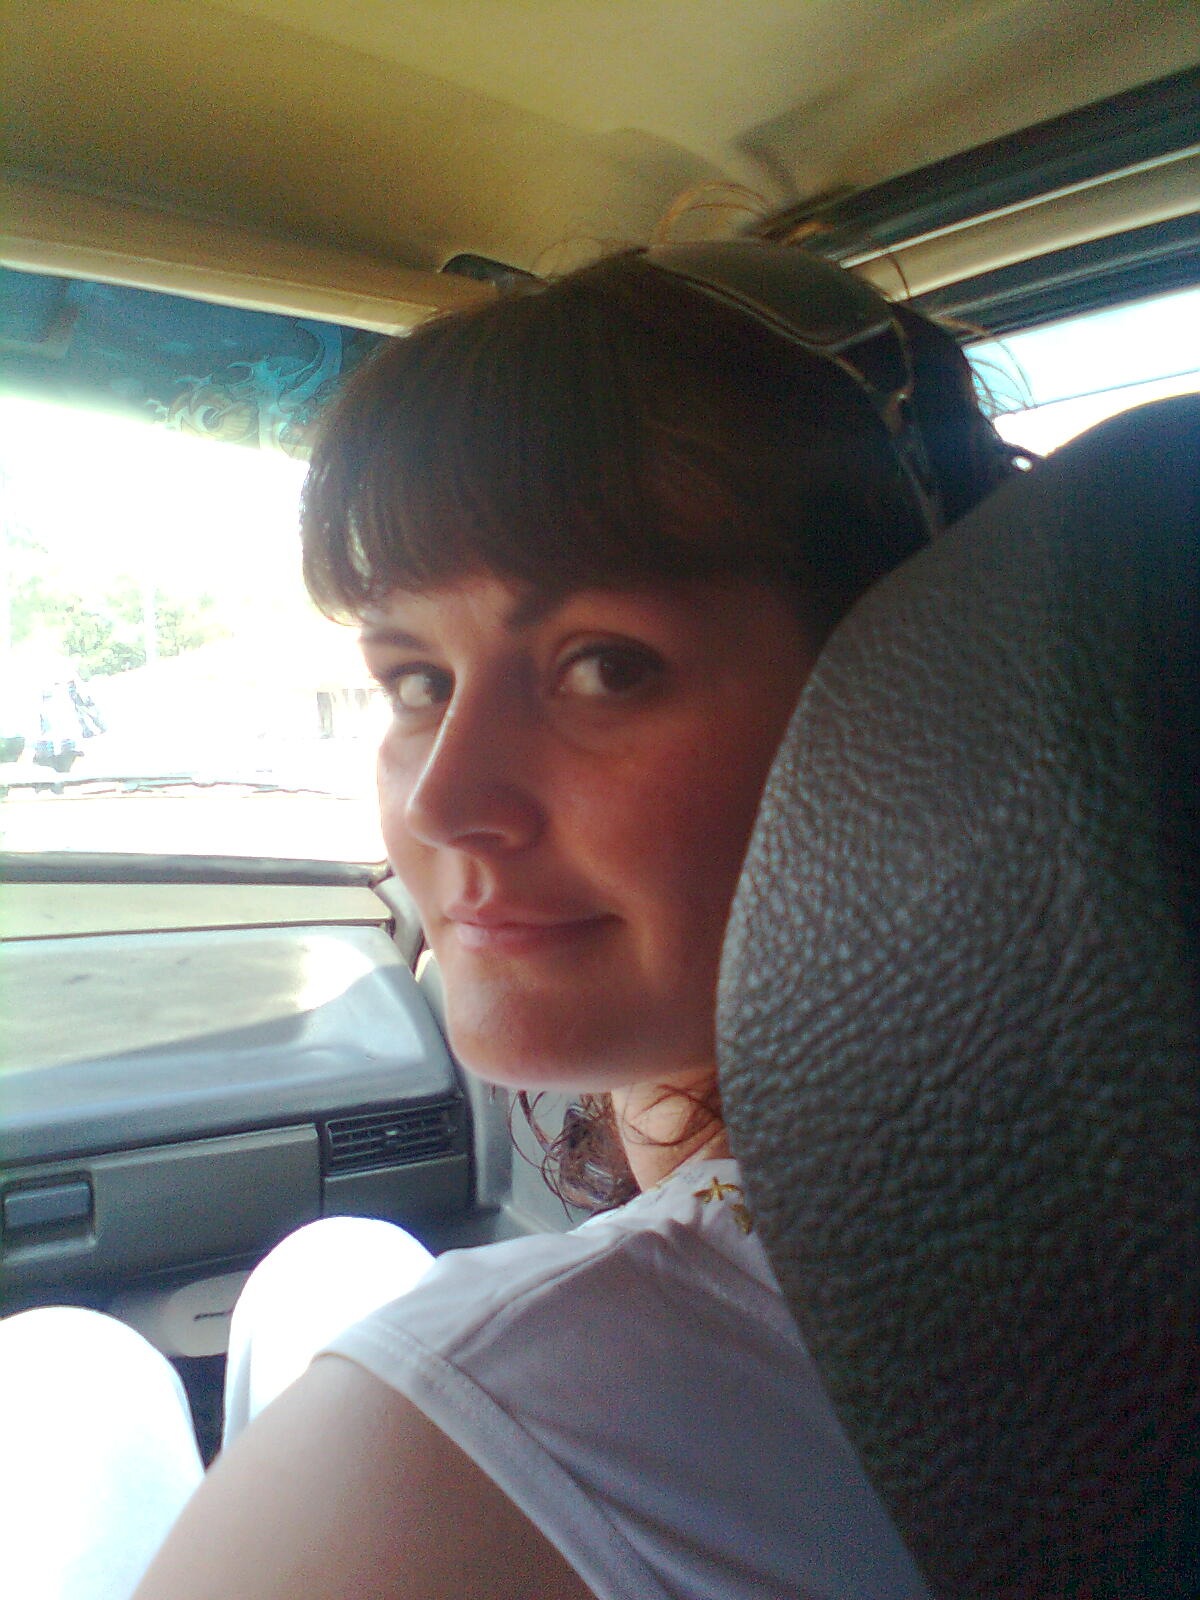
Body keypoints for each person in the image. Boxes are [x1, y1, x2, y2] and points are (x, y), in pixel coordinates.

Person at [0, 242, 1019, 1600]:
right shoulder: (1055, 1159)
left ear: (906, 697)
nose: (442, 798)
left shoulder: (460, 1442)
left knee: (63, 1376)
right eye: (416, 679)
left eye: (606, 667)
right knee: (336, 1266)